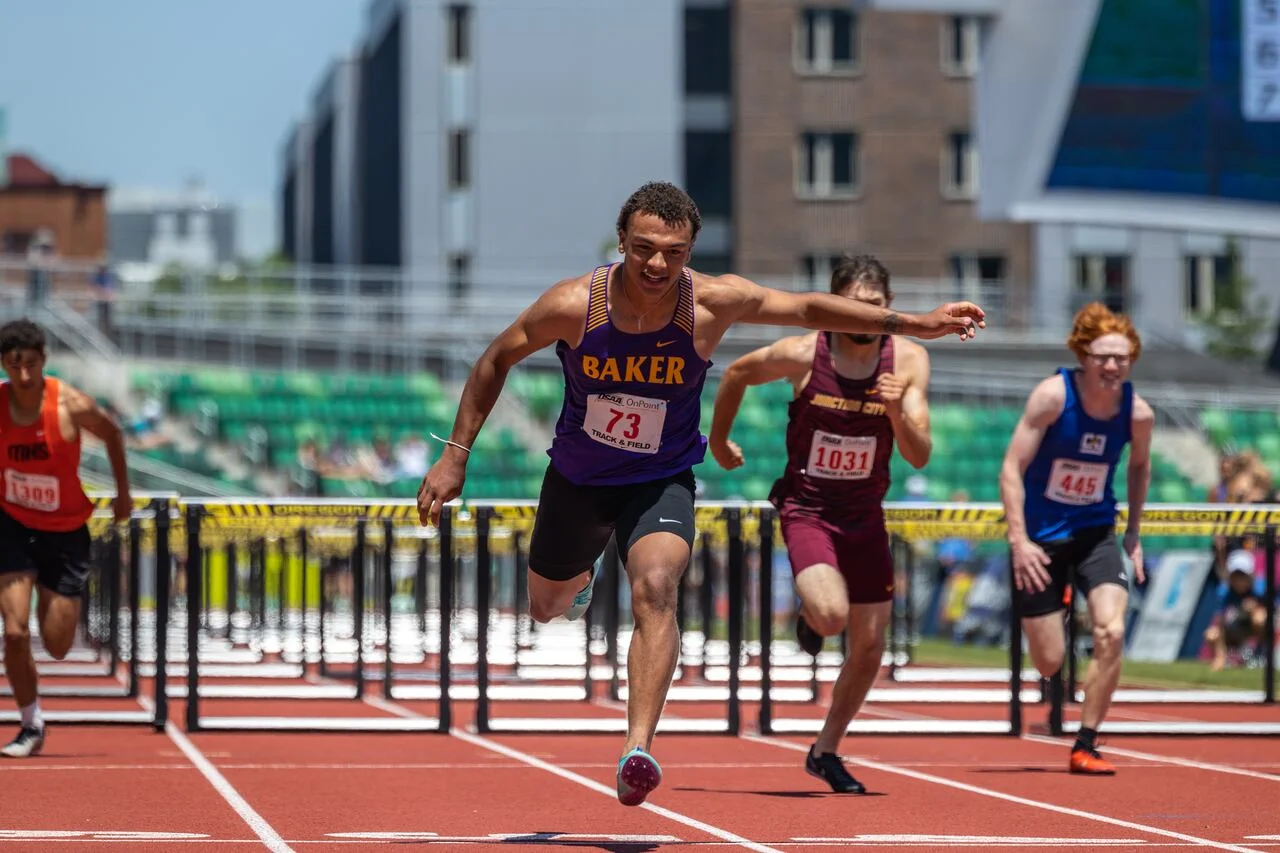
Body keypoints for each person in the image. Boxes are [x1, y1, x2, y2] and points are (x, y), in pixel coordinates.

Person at [417, 182, 985, 806]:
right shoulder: (576, 304)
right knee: (546, 606)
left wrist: (915, 324)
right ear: (622, 244)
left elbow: (808, 311)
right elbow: (497, 358)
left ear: (690, 251)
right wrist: (454, 455)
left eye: (674, 252)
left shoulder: (713, 302)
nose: (658, 265)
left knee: (657, 587)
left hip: (660, 477)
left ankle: (638, 748)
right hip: (578, 480)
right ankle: (580, 577)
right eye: (643, 250)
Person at [708, 254, 932, 795]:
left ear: (890, 309)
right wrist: (717, 442)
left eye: (875, 308)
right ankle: (811, 616)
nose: (864, 318)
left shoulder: (908, 360)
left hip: (866, 515)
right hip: (808, 508)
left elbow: (920, 455)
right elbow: (737, 371)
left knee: (871, 646)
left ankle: (826, 748)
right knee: (831, 617)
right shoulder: (805, 352)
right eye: (853, 307)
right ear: (833, 307)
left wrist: (899, 410)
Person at [998, 302, 1152, 775]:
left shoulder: (1137, 414)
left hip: (1094, 533)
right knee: (1049, 664)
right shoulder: (1051, 396)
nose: (1112, 367)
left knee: (1112, 630)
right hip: (1041, 540)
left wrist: (1133, 535)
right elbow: (1011, 468)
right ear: (1083, 356)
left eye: (1121, 358)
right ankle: (1058, 596)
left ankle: (1086, 742)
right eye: (1103, 357)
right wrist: (1019, 541)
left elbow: (1140, 467)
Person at [0, 319, 132, 757]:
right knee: (15, 634)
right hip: (13, 525)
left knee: (56, 644)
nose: (22, 377)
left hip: (65, 530)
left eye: (30, 366)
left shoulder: (69, 405)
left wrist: (123, 496)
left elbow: (113, 434)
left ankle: (54, 594)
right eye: (13, 367)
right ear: (3, 364)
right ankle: (30, 723)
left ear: (44, 362)